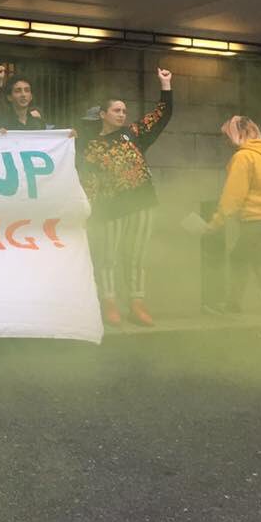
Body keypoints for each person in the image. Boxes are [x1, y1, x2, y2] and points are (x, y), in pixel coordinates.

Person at [80, 68, 173, 328]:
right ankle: (109, 302)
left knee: (136, 254)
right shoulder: (91, 145)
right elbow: (89, 181)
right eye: (116, 110)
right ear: (102, 115)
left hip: (142, 201)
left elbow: (160, 116)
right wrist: (88, 209)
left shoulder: (133, 133)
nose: (122, 114)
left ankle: (136, 302)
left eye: (123, 110)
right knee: (108, 255)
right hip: (110, 206)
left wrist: (165, 85)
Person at [205, 116, 261, 338]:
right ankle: (233, 304)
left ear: (239, 134)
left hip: (258, 220)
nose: (226, 142)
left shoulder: (244, 157)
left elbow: (233, 195)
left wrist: (217, 221)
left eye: (227, 136)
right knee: (239, 257)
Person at [0, 68, 47, 132]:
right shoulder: (3, 122)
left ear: (31, 96)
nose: (23, 94)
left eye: (27, 90)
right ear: (9, 97)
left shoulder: (37, 122)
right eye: (18, 91)